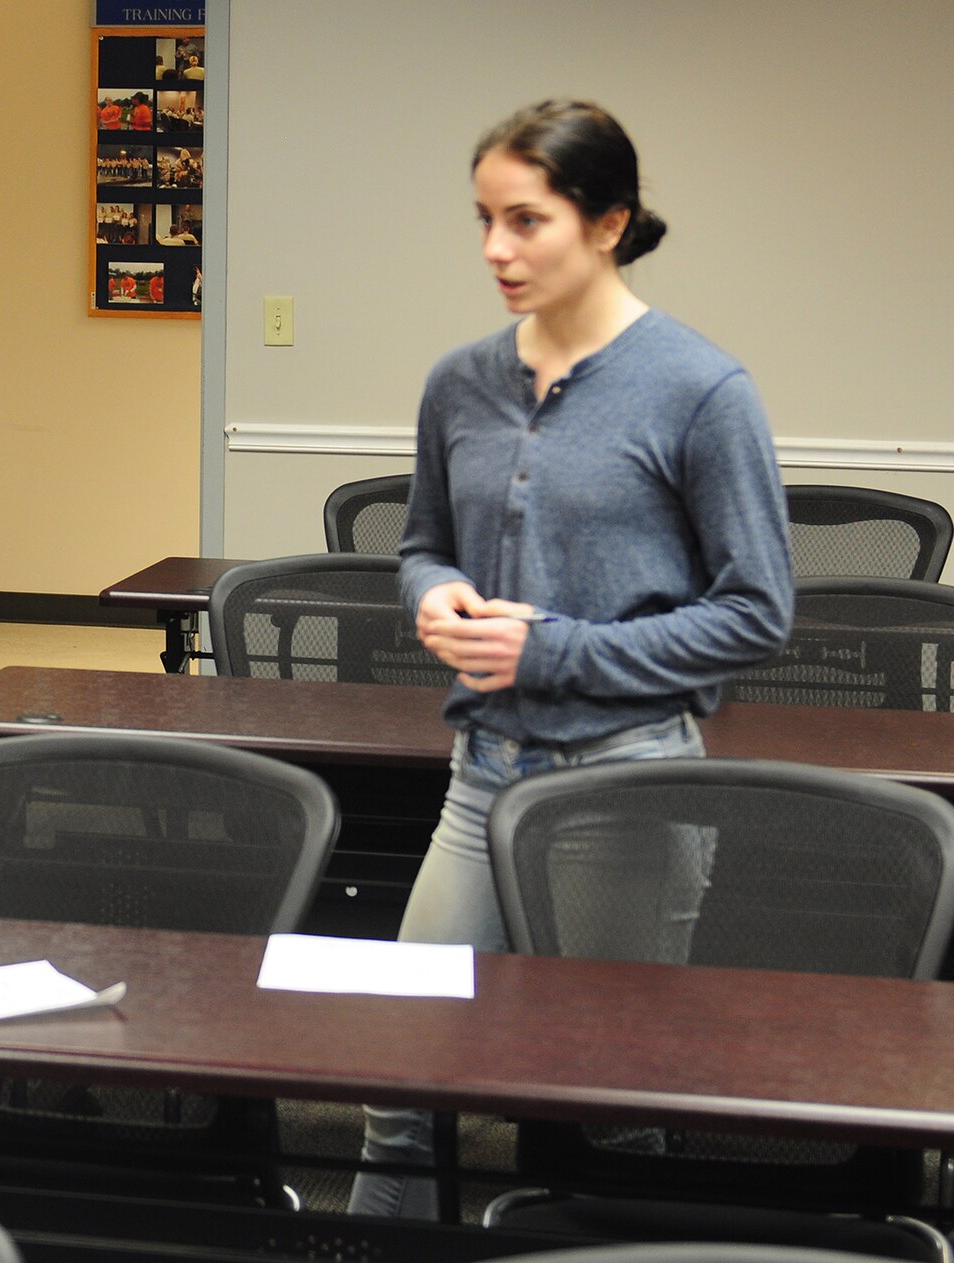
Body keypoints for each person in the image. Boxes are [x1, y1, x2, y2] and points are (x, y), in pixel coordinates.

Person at [346, 100, 792, 1219]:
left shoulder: (700, 389)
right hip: (480, 773)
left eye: (526, 220)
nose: (495, 249)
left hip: (626, 784)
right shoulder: (460, 381)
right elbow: (418, 545)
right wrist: (431, 594)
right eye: (484, 220)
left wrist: (555, 648)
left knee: (604, 1100)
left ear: (607, 223)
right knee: (394, 1072)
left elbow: (754, 613)